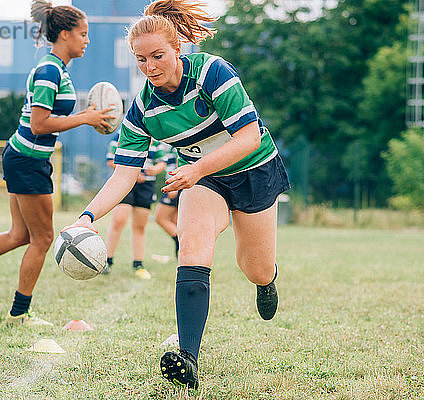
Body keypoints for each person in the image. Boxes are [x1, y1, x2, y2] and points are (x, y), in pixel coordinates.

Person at [67, 0, 290, 389]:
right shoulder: (142, 110)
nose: (150, 67)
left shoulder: (212, 73)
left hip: (254, 171)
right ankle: (188, 357)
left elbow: (249, 137)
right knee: (192, 246)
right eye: (141, 59)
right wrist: (86, 218)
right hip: (204, 182)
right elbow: (124, 175)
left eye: (158, 56)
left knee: (253, 266)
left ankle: (266, 279)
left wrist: (197, 167)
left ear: (178, 49)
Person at [0, 0, 113, 326]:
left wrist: (87, 118)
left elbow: (46, 120)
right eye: (83, 34)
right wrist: (85, 118)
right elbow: (40, 124)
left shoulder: (56, 68)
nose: (87, 41)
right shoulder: (49, 71)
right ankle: (19, 315)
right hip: (28, 161)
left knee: (19, 235)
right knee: (42, 239)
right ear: (65, 34)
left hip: (23, 157)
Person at [102, 133, 167, 279]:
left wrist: (155, 169)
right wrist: (133, 172)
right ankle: (107, 261)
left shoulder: (156, 139)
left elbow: (162, 162)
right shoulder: (121, 135)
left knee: (140, 226)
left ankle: (138, 264)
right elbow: (110, 160)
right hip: (124, 182)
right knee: (119, 220)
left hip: (147, 186)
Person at [154, 143, 180, 258]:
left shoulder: (174, 144)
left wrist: (175, 184)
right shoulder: (162, 143)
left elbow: (179, 162)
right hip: (175, 185)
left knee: (160, 218)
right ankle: (180, 253)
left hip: (175, 185)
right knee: (176, 221)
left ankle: (180, 240)